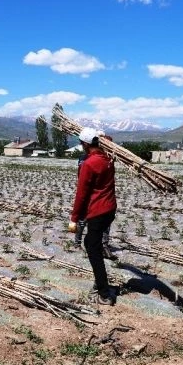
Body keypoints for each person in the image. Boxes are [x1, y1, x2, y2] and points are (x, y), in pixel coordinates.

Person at [68, 127, 117, 305]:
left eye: (81, 143)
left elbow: (81, 194)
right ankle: (100, 282)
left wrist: (74, 218)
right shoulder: (107, 158)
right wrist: (103, 138)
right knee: (91, 243)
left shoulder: (89, 163)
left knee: (92, 248)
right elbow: (109, 141)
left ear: (85, 144)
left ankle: (104, 293)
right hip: (110, 209)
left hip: (98, 210)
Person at [74, 131, 116, 261]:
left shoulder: (107, 158)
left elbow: (109, 140)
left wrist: (103, 139)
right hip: (89, 195)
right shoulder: (84, 159)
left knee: (102, 227)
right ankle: (77, 243)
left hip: (99, 198)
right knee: (82, 221)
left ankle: (103, 246)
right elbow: (81, 179)